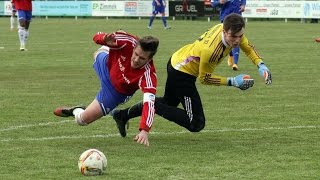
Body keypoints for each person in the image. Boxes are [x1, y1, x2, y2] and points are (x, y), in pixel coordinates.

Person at [111, 13, 272, 136]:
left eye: (240, 36)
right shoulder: (212, 51)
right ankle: (152, 105)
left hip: (177, 60)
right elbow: (205, 78)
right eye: (233, 37)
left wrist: (261, 65)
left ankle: (122, 115)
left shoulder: (231, 30)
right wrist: (232, 82)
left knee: (169, 102)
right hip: (182, 74)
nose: (237, 40)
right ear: (224, 31)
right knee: (196, 123)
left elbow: (248, 47)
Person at [53, 30, 160, 146]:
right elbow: (96, 35)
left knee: (82, 120)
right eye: (136, 54)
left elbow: (149, 104)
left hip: (114, 92)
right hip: (107, 66)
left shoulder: (148, 75)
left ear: (149, 59)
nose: (136, 59)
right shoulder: (128, 41)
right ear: (134, 48)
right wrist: (103, 39)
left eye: (142, 58)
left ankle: (75, 110)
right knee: (98, 52)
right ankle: (108, 48)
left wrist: (144, 130)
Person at [212, 0, 246, 71]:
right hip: (225, 18)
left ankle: (235, 63)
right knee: (227, 40)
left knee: (237, 39)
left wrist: (243, 5)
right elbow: (213, 4)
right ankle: (231, 55)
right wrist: (220, 2)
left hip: (237, 18)